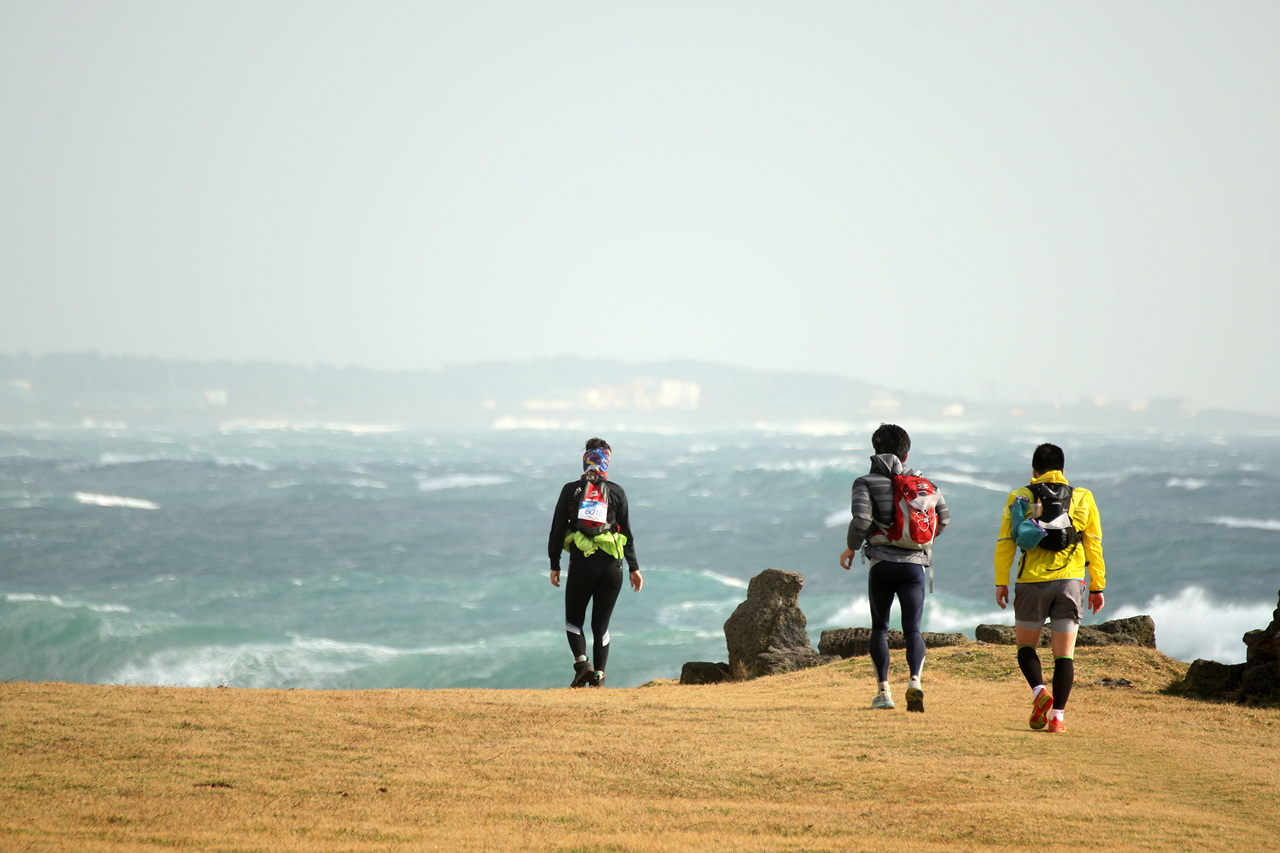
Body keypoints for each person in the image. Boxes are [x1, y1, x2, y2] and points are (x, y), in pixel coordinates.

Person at [994, 442, 1106, 733]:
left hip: (1032, 582)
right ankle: (1057, 718)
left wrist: (1001, 581)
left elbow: (1006, 542)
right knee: (1064, 654)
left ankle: (1039, 691)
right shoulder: (1082, 497)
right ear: (1063, 471)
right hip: (1071, 582)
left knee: (1026, 646)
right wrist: (1097, 587)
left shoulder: (1020, 496)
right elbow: (1093, 542)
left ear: (1034, 471)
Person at [839, 423, 949, 712]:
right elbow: (945, 519)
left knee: (880, 628)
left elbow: (861, 520)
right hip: (914, 567)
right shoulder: (925, 485)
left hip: (882, 565)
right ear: (906, 453)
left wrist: (851, 546)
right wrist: (919, 540)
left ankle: (884, 693)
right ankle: (914, 682)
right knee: (913, 629)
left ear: (875, 450)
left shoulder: (864, 482)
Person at [548, 437, 643, 688]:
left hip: (583, 564)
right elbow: (626, 533)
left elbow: (557, 530)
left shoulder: (571, 490)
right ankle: (598, 680)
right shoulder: (617, 491)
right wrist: (634, 567)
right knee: (601, 627)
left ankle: (582, 664)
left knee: (573, 621)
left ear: (585, 460)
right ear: (606, 462)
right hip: (613, 567)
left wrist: (555, 563)